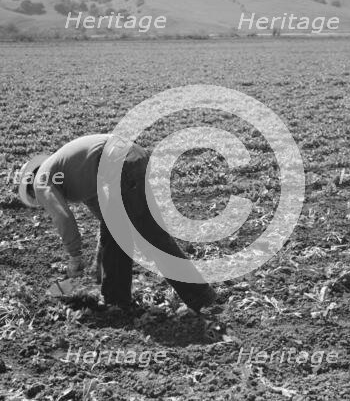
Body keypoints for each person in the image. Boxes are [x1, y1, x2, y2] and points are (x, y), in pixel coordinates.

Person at [18, 134, 217, 313]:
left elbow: (62, 217)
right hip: (131, 157)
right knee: (116, 236)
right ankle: (116, 302)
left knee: (151, 235)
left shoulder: (41, 181)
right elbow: (104, 213)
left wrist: (74, 257)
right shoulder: (68, 171)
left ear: (29, 185)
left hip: (120, 164)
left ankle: (201, 296)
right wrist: (100, 259)